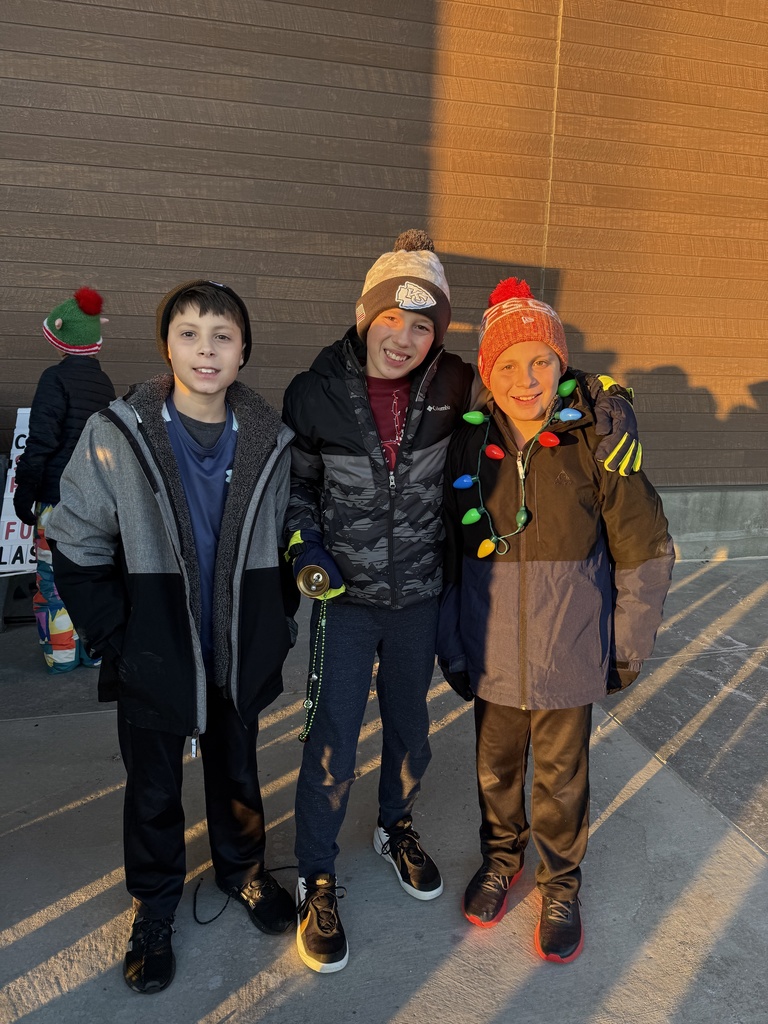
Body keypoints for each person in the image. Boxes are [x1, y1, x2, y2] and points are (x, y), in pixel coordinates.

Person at [281, 230, 643, 974]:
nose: (405, 338)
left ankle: (396, 828)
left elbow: (537, 383)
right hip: (346, 601)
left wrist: (611, 395)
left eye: (424, 326)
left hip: (421, 596)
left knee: (414, 737)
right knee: (332, 743)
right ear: (364, 316)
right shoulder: (312, 389)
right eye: (392, 319)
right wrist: (304, 550)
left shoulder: (454, 386)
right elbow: (297, 490)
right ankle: (316, 876)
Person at [46, 281, 298, 994]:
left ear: (243, 350)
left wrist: (275, 627)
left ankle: (243, 872)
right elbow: (75, 543)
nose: (206, 349)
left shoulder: (271, 441)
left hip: (237, 650)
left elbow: (281, 547)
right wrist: (119, 640)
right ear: (167, 346)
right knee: (152, 789)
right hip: (154, 650)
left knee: (238, 773)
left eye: (222, 334)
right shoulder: (117, 432)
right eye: (189, 333)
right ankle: (154, 906)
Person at [437, 277, 674, 963]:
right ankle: (501, 859)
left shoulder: (595, 444)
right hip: (493, 656)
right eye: (507, 365)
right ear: (487, 373)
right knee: (495, 771)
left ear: (561, 364)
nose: (526, 379)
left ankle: (561, 882)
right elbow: (451, 556)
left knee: (561, 779)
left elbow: (644, 547)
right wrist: (455, 645)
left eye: (541, 361)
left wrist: (626, 646)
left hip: (570, 655)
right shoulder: (468, 448)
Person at [13, 287, 115, 672]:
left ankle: (62, 655)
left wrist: (26, 492)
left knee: (52, 580)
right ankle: (94, 652)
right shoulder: (104, 385)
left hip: (56, 499)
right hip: (95, 500)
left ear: (62, 340)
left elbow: (41, 440)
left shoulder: (54, 379)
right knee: (89, 576)